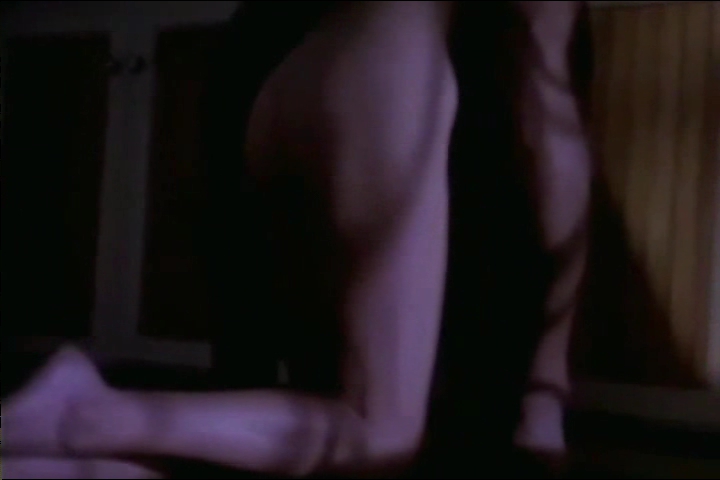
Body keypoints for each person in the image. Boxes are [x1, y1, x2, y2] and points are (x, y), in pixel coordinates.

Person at [3, 1, 593, 478]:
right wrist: (542, 400)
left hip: (256, 57)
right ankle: (85, 412)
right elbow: (544, 109)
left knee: (284, 422)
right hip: (382, 59)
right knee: (380, 433)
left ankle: (65, 457)